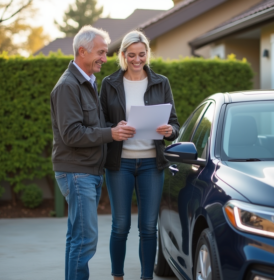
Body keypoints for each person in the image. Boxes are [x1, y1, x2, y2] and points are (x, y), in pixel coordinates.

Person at [50, 25, 135, 280]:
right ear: (82, 51)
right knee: (86, 239)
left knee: (77, 238)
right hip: (77, 173)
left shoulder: (87, 82)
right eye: (100, 52)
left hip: (87, 171)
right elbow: (72, 134)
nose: (104, 58)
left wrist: (113, 128)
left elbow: (92, 127)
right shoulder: (68, 86)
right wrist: (111, 134)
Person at [99, 30, 180, 280]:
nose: (137, 60)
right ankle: (118, 277)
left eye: (141, 55)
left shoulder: (161, 82)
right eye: (131, 55)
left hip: (151, 164)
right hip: (119, 163)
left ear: (147, 54)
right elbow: (100, 124)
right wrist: (114, 130)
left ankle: (146, 277)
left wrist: (169, 131)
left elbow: (175, 125)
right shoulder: (109, 84)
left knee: (148, 227)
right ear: (123, 55)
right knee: (120, 226)